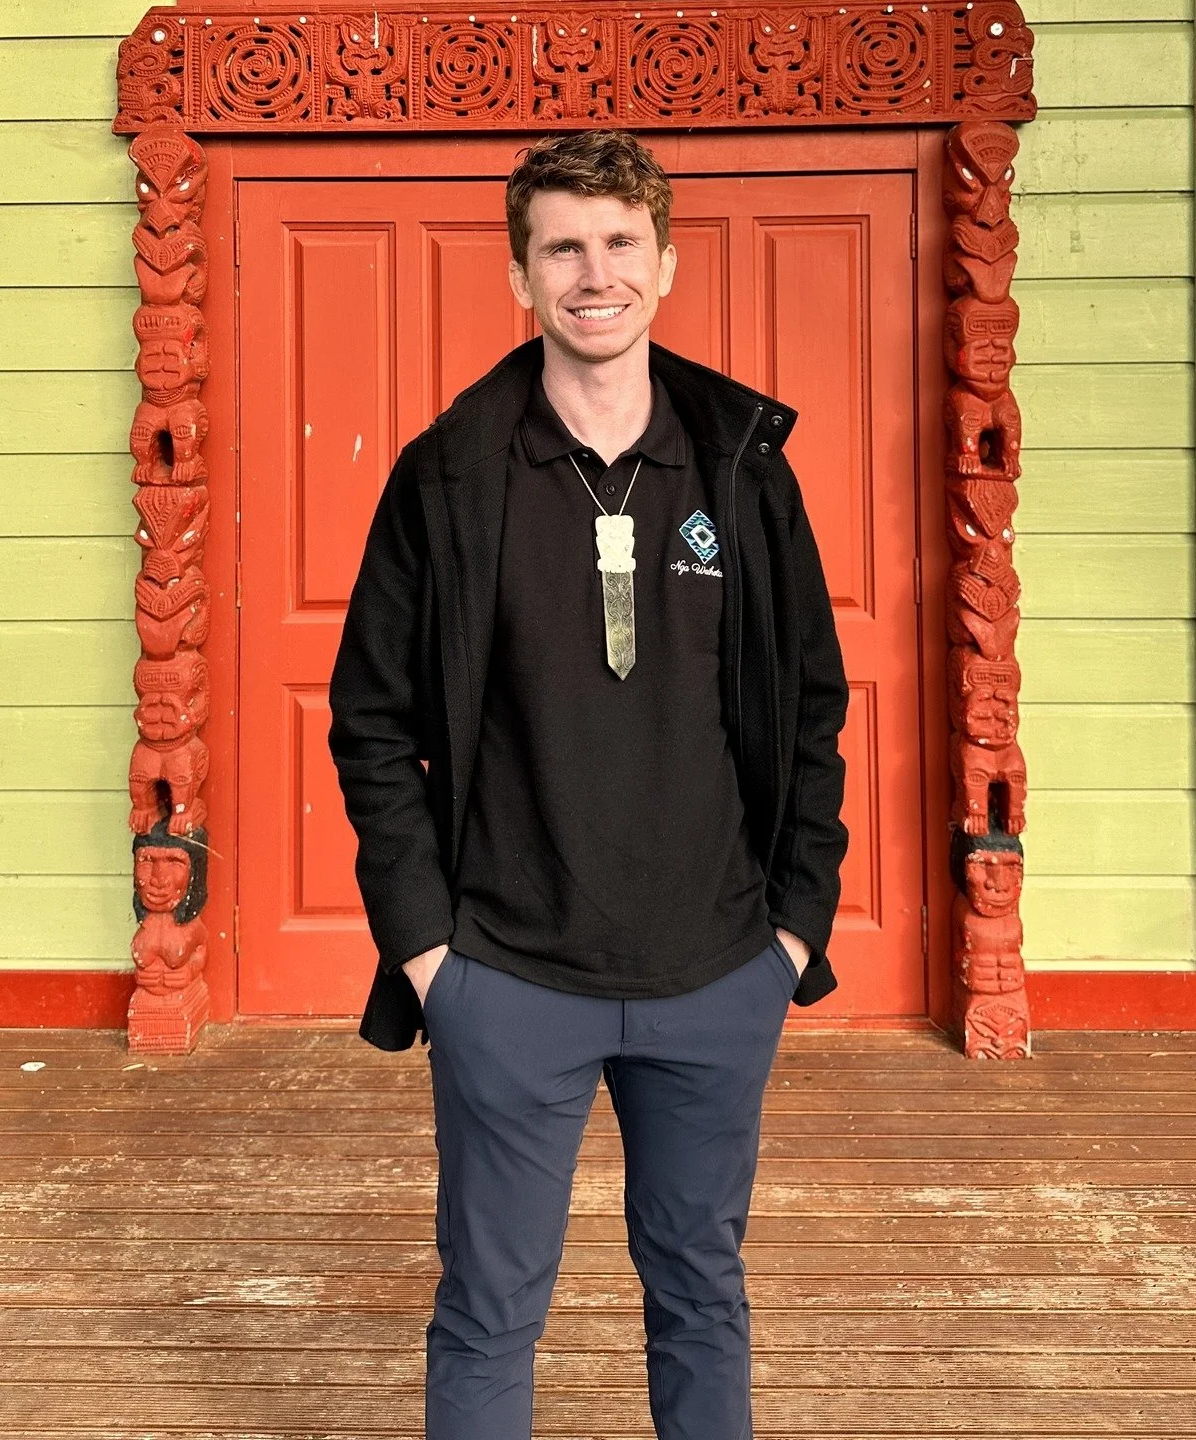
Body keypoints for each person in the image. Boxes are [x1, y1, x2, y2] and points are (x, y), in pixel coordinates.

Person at [330, 129, 848, 1440]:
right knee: (493, 1305)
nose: (594, 273)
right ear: (520, 275)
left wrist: (791, 930)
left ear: (667, 265)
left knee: (699, 1290)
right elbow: (373, 720)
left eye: (621, 244)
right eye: (563, 245)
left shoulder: (742, 468)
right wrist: (431, 951)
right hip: (510, 974)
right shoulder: (449, 479)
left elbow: (811, 706)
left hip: (718, 968)